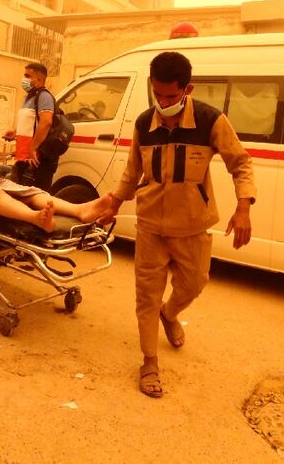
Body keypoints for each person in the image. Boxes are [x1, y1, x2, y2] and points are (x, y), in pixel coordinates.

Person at [96, 51, 256, 399]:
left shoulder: (210, 120)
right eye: (158, 95)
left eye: (171, 96)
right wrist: (114, 203)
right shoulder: (143, 124)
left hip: (192, 225)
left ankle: (171, 313)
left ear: (188, 88)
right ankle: (149, 361)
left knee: (196, 282)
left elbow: (240, 163)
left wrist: (243, 206)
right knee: (146, 297)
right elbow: (131, 172)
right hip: (150, 224)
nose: (163, 102)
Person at [3, 62, 57, 192]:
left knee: (35, 200)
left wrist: (33, 147)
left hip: (35, 160)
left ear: (38, 79)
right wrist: (15, 133)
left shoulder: (44, 96)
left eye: (27, 76)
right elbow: (32, 124)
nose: (24, 79)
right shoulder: (29, 97)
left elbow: (46, 122)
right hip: (23, 158)